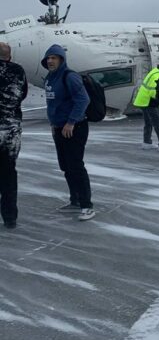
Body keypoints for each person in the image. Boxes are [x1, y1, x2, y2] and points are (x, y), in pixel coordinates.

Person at [42, 44, 94, 220]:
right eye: (48, 58)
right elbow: (53, 104)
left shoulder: (69, 77)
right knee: (65, 166)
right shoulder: (49, 78)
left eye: (54, 58)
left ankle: (87, 205)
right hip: (58, 128)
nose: (50, 61)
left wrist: (71, 122)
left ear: (61, 60)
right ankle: (75, 200)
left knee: (76, 165)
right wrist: (53, 124)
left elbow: (83, 99)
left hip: (74, 128)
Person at [0, 42, 28, 229]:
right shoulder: (18, 71)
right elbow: (23, 94)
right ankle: (10, 217)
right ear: (9, 56)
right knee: (9, 174)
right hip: (10, 130)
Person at [133, 59, 159, 149]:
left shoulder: (155, 71)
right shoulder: (158, 76)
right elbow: (153, 90)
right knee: (156, 122)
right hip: (149, 101)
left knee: (148, 122)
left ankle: (147, 142)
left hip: (142, 100)